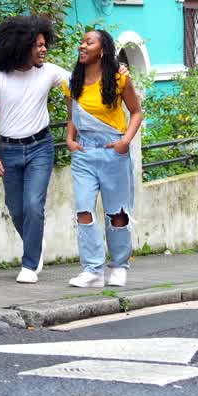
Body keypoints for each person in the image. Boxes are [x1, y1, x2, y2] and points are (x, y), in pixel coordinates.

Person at [0, 16, 70, 284]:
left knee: (33, 204)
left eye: (44, 44)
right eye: (37, 45)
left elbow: (77, 85)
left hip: (41, 147)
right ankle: (35, 245)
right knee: (16, 208)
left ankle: (30, 264)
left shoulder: (49, 72)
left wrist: (73, 119)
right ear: (20, 46)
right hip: (9, 151)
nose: (43, 49)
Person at [63, 28, 144, 288]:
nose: (82, 46)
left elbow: (137, 112)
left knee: (117, 213)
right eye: (81, 41)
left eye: (89, 42)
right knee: (84, 210)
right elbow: (73, 114)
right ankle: (92, 270)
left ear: (102, 50)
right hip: (84, 154)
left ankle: (119, 265)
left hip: (113, 151)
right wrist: (70, 139)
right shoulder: (71, 81)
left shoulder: (119, 79)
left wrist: (125, 142)